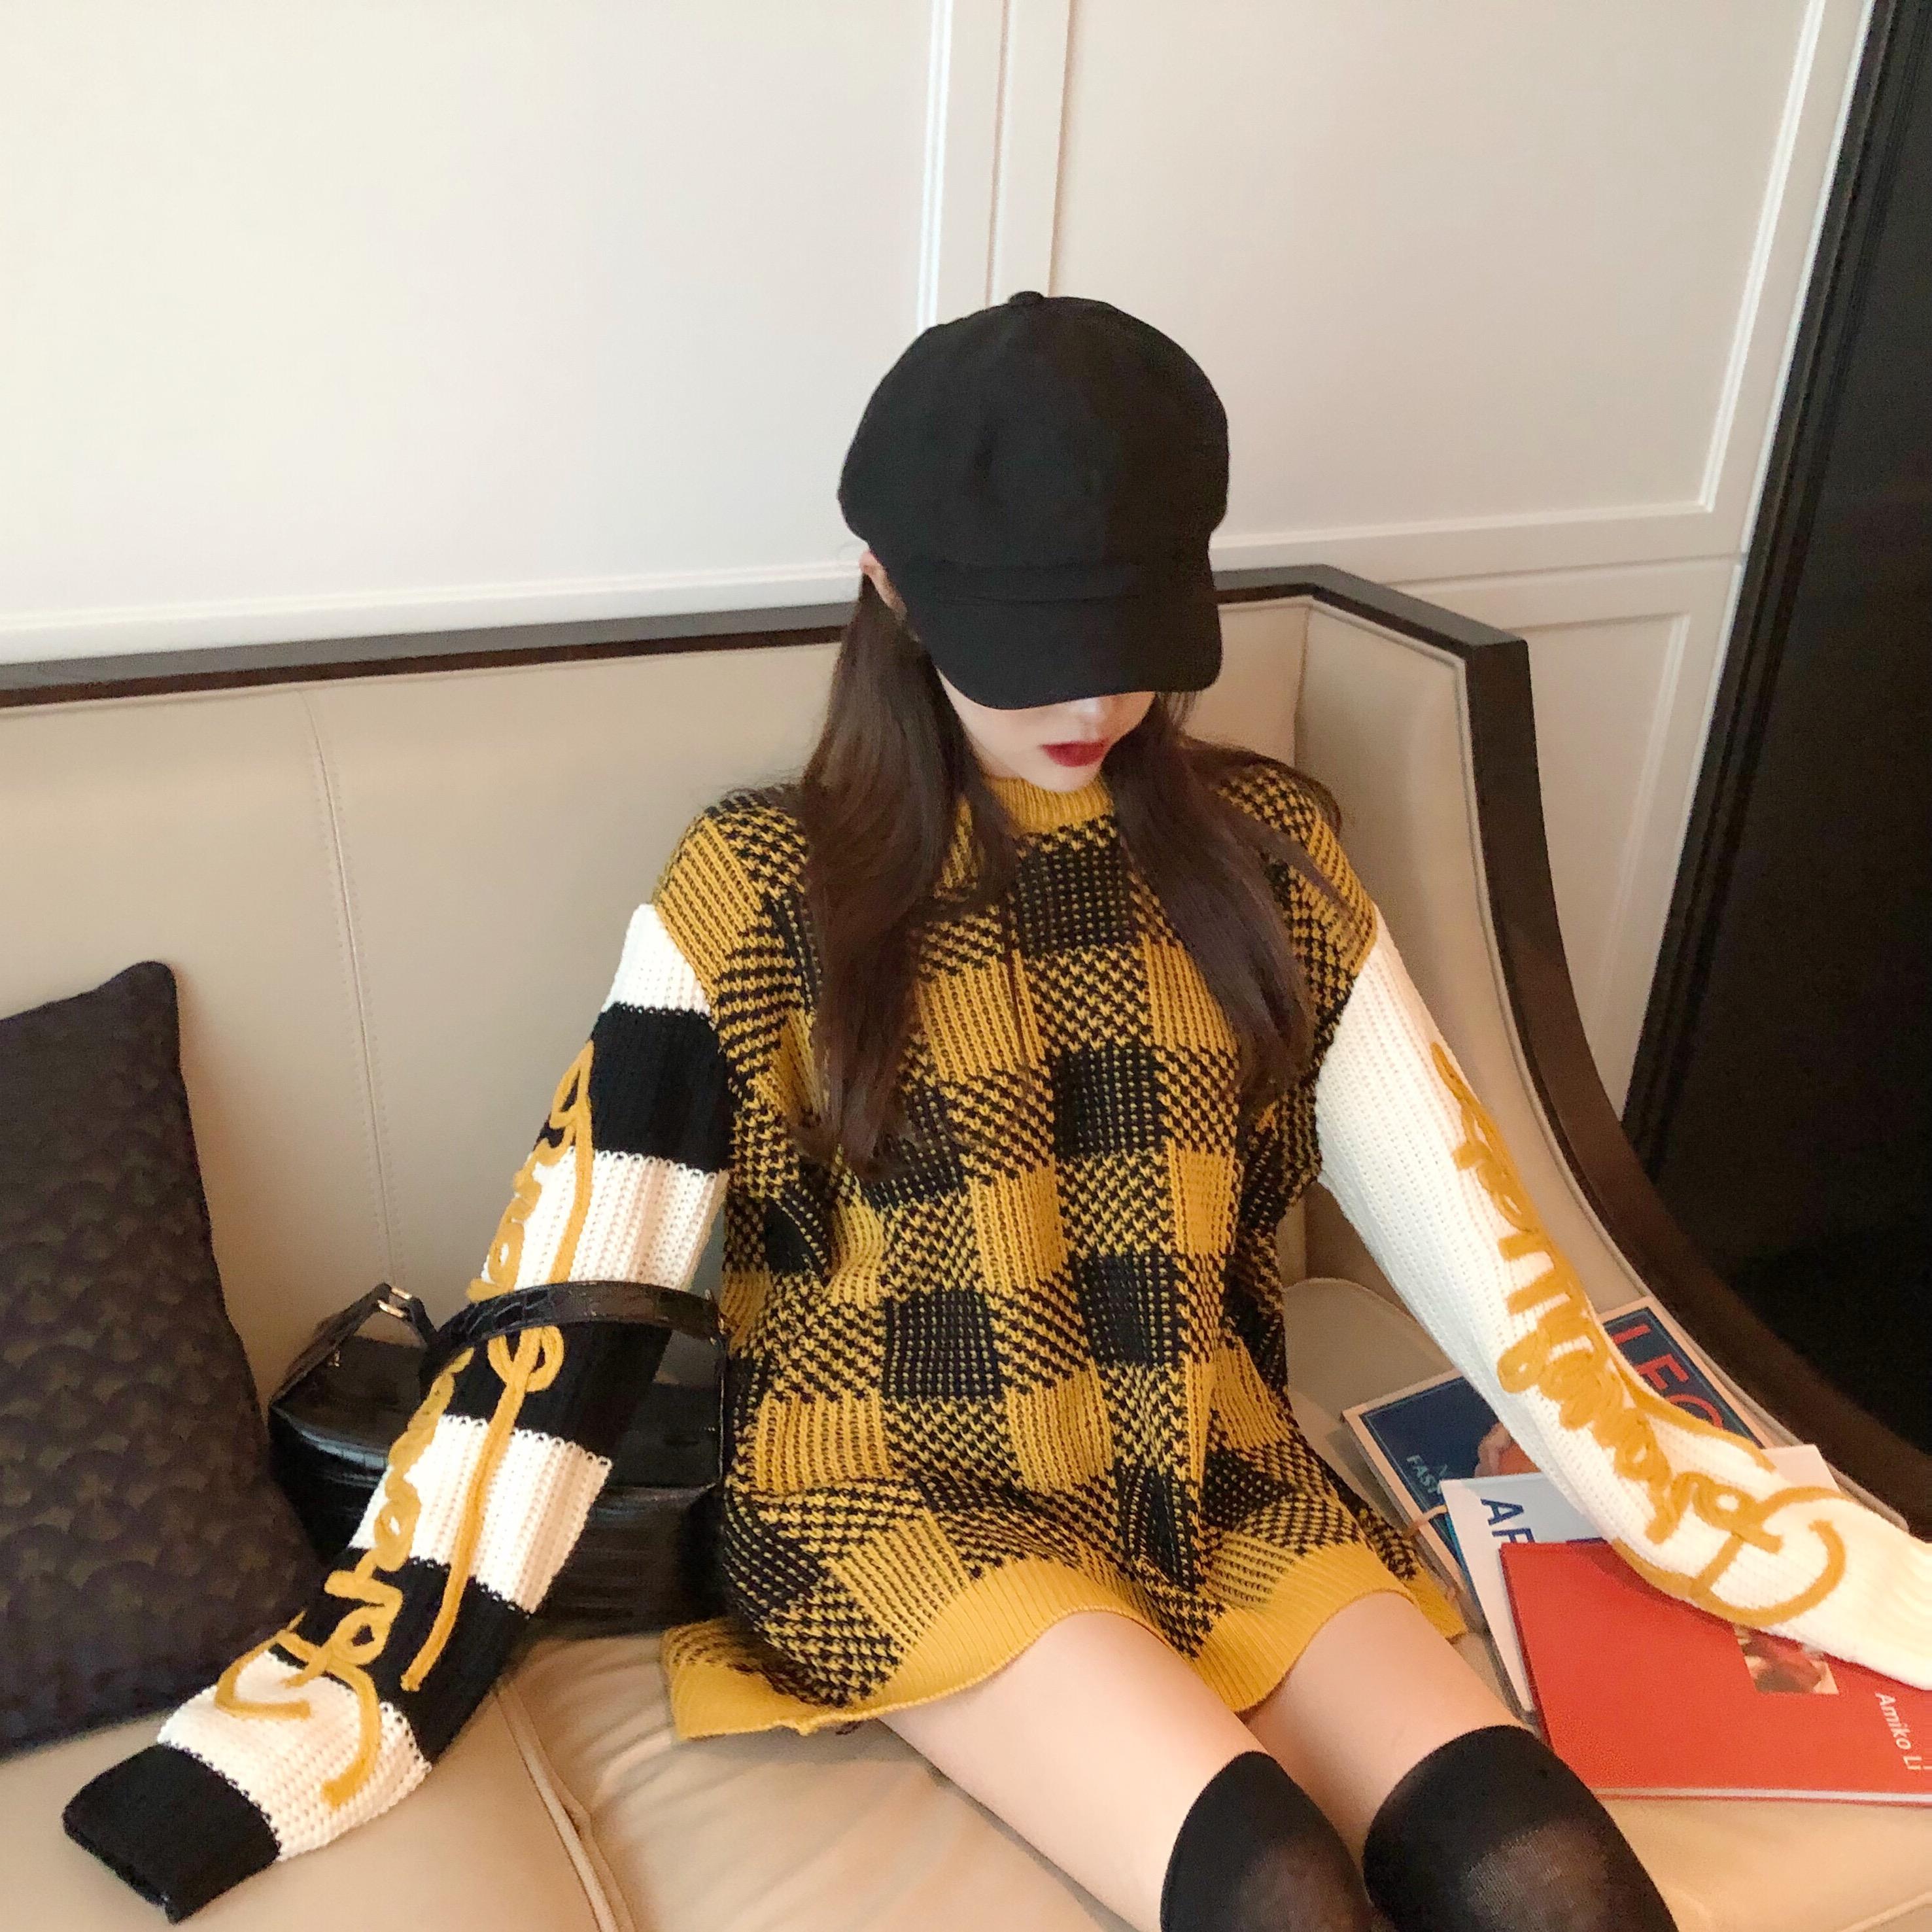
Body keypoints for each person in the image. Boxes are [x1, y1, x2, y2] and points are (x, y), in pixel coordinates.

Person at [66, 293, 1932, 1930]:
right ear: (889, 582)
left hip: (1213, 1471)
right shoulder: (756, 893)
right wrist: (343, 1699)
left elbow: (1490, 1255)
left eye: (1131, 630)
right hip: (895, 1501)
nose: (1093, 694)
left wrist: (1754, 1532)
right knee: (1276, 1891)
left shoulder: (1271, 856)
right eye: (1030, 636)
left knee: (1557, 1877)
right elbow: (566, 1303)